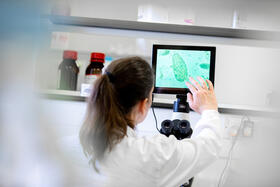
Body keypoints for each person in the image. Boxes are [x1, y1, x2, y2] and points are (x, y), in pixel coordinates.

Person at [80, 56, 222, 187]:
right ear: (143, 104)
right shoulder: (151, 155)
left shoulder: (66, 147)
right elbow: (209, 146)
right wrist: (209, 108)